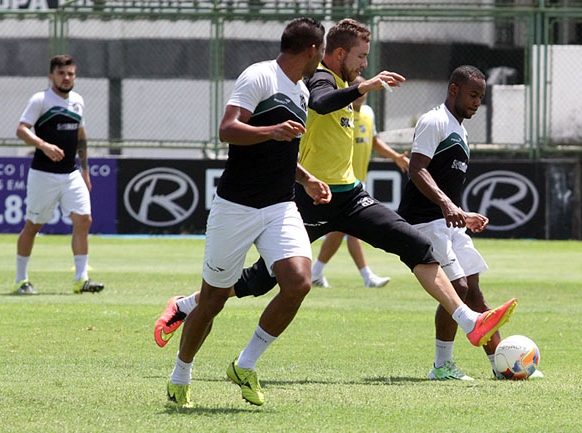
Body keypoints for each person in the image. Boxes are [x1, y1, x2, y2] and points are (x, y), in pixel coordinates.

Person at [157, 19, 517, 407]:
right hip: (307, 203)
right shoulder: (316, 81)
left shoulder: (328, 87)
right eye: (361, 57)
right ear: (337, 53)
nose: (365, 64)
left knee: (415, 243)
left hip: (346, 196)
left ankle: (469, 320)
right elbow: (321, 101)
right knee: (258, 282)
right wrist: (362, 86)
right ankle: (188, 305)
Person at [165, 17, 330, 408]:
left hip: (279, 205)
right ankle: (180, 375)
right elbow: (227, 129)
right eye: (321, 53)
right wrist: (270, 131)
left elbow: (283, 150)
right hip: (235, 207)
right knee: (212, 300)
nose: (321, 60)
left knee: (298, 282)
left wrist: (305, 179)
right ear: (311, 50)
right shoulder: (258, 76)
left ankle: (245, 364)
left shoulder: (303, 90)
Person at [398, 65, 542, 380]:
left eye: (481, 97)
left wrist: (462, 213)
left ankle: (501, 365)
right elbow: (417, 168)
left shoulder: (459, 128)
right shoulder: (434, 121)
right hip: (424, 221)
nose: (477, 102)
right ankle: (442, 366)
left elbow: (444, 181)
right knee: (458, 288)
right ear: (454, 90)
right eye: (472, 95)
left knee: (474, 290)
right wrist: (448, 205)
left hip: (448, 222)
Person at [14, 55, 104, 295]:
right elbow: (21, 129)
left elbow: (81, 136)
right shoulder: (40, 100)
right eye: (62, 74)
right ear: (51, 76)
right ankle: (21, 280)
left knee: (84, 220)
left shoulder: (77, 101)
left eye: (71, 74)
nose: (67, 78)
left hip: (71, 173)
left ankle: (81, 279)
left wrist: (85, 170)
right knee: (33, 225)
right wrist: (43, 145)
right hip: (43, 174)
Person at [311, 74, 410, 289]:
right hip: (335, 180)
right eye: (354, 88)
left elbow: (374, 141)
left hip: (356, 181)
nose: (359, 94)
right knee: (345, 229)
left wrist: (395, 157)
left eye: (361, 88)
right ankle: (365, 276)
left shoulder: (368, 114)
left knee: (340, 230)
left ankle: (315, 272)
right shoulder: (336, 110)